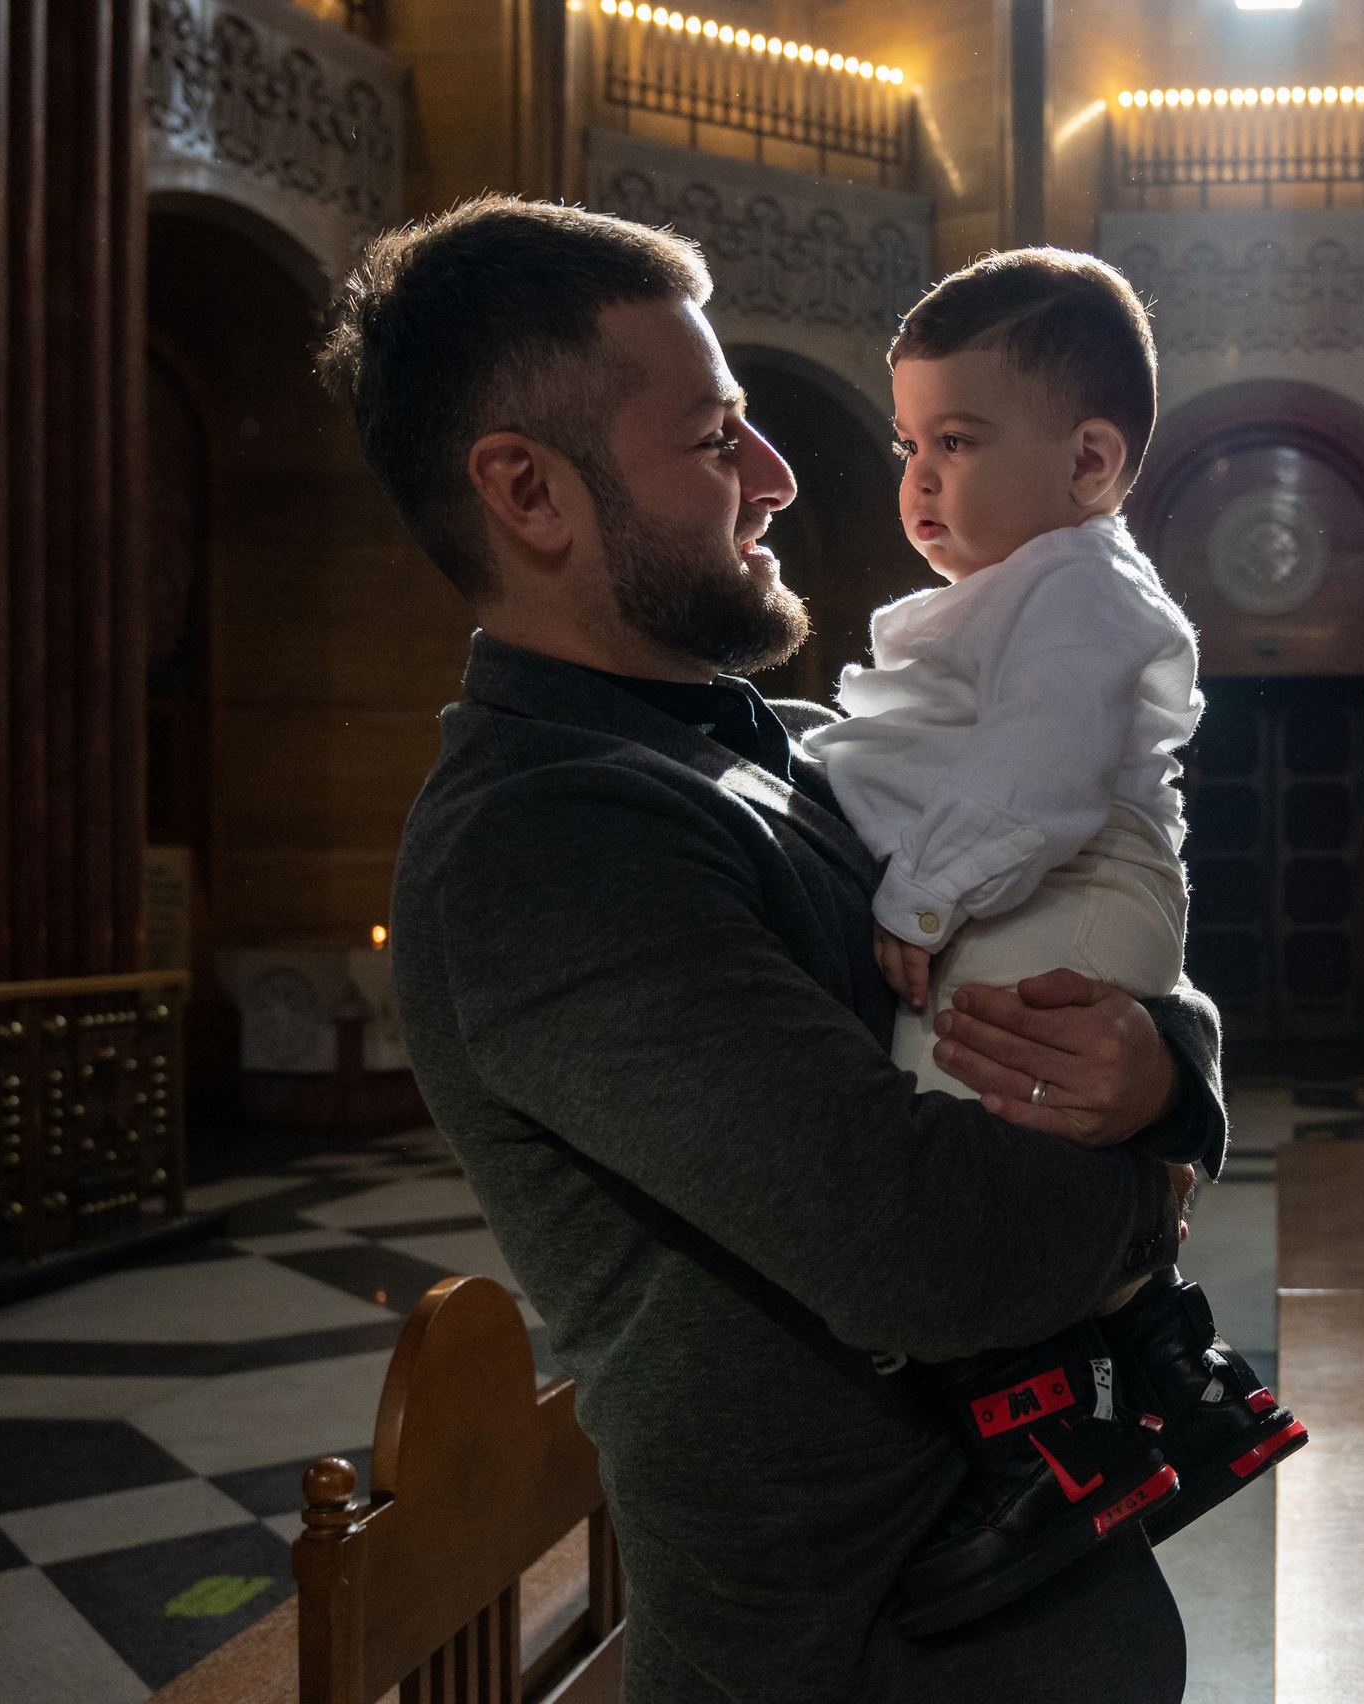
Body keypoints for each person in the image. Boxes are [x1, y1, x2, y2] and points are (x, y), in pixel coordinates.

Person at [316, 195, 1219, 1704]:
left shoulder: (792, 752)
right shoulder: (546, 845)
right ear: (530, 494)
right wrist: (1160, 1166)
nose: (784, 477)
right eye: (718, 438)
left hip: (1018, 1590)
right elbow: (919, 1248)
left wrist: (1163, 1063)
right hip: (850, 1655)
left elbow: (1106, 938)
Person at [806, 251, 1305, 1638]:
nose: (915, 483)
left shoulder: (1080, 585)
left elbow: (1037, 769)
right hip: (1042, 879)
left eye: (955, 444)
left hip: (1063, 880)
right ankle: (1174, 1373)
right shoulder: (1033, 582)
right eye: (908, 446)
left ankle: (1045, 1457)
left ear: (1090, 460)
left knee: (966, 1142)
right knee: (984, 1115)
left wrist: (916, 900)